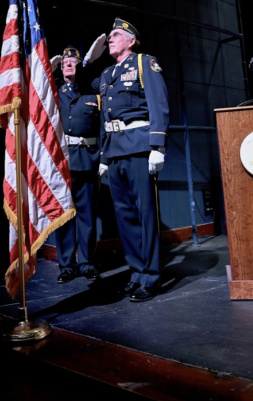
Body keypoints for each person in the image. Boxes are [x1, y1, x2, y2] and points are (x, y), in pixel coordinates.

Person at [93, 18, 169, 302]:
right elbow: (104, 116)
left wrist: (157, 145)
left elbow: (158, 102)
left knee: (145, 214)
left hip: (138, 146)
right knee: (124, 217)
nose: (110, 39)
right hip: (114, 151)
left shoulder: (143, 63)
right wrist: (103, 154)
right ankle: (137, 272)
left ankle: (151, 277)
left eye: (114, 35)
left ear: (131, 40)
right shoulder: (107, 74)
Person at [50, 35, 106, 283]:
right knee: (63, 215)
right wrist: (48, 69)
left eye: (72, 63)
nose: (68, 66)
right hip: (63, 163)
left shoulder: (92, 89)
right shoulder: (55, 91)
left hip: (88, 159)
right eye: (64, 64)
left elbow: (104, 123)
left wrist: (103, 157)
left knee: (86, 214)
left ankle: (85, 261)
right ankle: (66, 265)